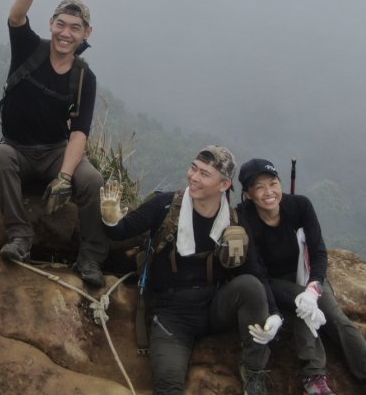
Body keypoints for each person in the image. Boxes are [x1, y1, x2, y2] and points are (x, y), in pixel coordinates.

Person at [101, 146, 282, 395]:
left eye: (205, 174)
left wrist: (273, 313)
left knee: (250, 285)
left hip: (214, 304)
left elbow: (255, 269)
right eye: (194, 168)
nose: (194, 177)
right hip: (172, 314)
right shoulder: (165, 207)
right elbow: (122, 230)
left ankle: (253, 370)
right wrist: (110, 219)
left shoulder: (233, 220)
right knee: (168, 385)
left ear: (224, 185)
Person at [0, 0, 109, 288]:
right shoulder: (29, 49)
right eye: (61, 24)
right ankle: (20, 237)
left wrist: (66, 177)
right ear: (51, 24)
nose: (65, 33)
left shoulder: (84, 76)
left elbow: (79, 132)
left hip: (56, 151)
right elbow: (15, 17)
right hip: (17, 148)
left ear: (86, 34)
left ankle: (90, 257)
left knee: (92, 182)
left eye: (75, 28)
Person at [236, 158, 366, 395]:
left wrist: (314, 288)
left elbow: (319, 253)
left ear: (280, 183)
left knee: (336, 318)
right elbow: (256, 270)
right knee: (303, 306)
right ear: (248, 194)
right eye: (259, 187)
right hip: (269, 282)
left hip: (304, 275)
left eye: (273, 183)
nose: (268, 192)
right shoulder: (244, 218)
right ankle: (314, 379)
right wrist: (273, 311)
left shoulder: (299, 206)